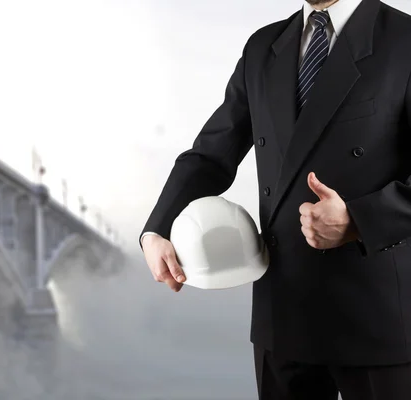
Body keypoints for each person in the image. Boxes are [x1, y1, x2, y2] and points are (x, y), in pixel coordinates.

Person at [140, 0, 411, 398]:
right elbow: (212, 154)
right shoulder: (263, 47)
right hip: (283, 312)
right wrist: (156, 229)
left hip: (379, 316)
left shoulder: (404, 40)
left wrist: (358, 220)